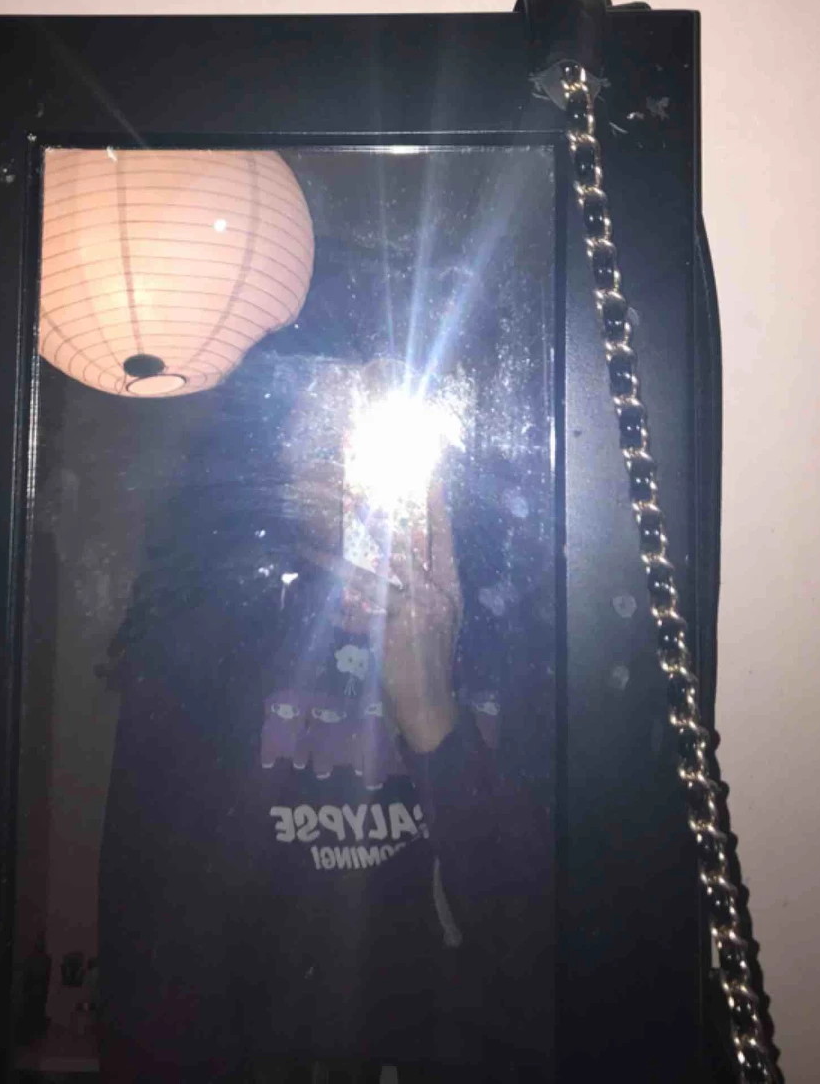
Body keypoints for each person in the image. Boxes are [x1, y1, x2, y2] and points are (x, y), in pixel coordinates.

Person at [96, 336, 552, 1079]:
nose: (350, 477)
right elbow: (151, 959)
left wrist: (434, 721)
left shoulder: (509, 627)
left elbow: (544, 950)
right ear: (270, 462)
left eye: (375, 439)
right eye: (320, 444)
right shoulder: (202, 639)